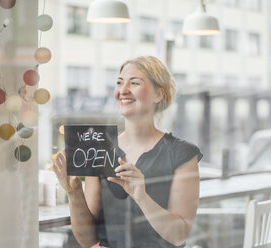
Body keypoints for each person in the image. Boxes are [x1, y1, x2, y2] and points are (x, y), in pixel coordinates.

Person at [52, 56, 202, 248]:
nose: (123, 90)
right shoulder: (100, 148)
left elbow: (179, 235)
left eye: (135, 83)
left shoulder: (182, 153)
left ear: (158, 95)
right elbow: (88, 240)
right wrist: (73, 192)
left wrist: (142, 197)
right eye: (119, 83)